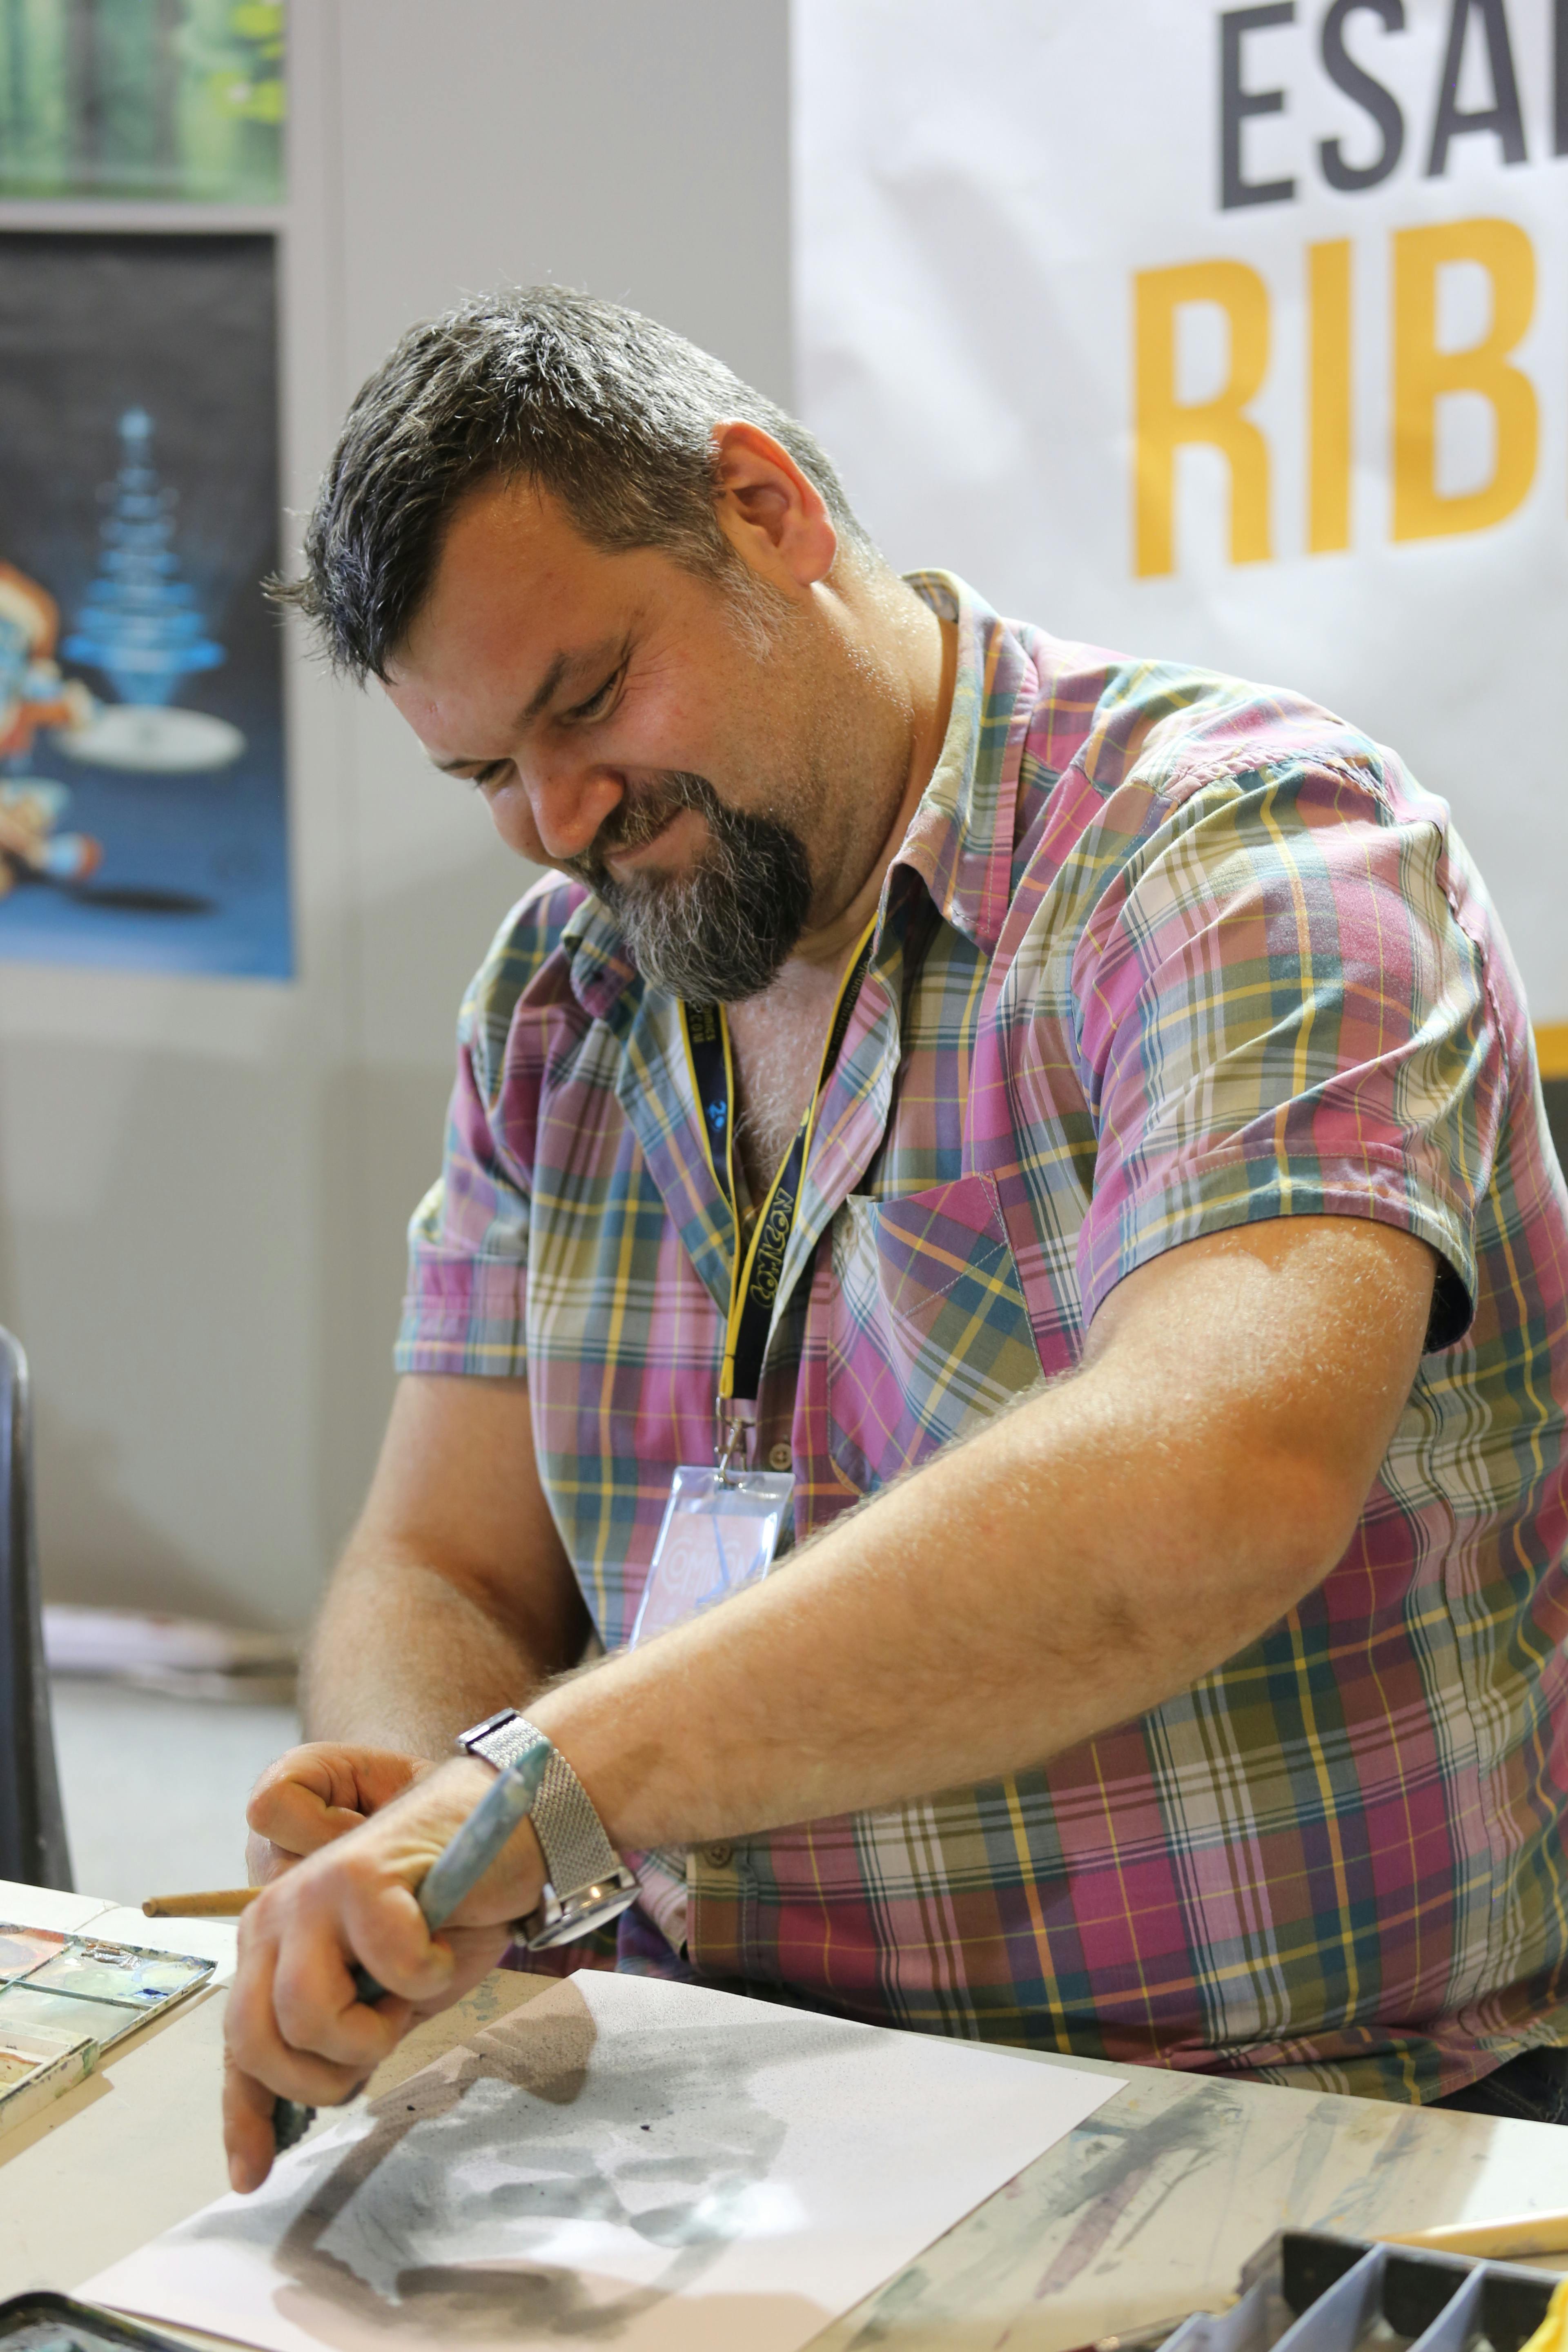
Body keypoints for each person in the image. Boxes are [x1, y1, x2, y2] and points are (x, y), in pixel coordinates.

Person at [224, 288, 1568, 2191]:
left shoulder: (1244, 849)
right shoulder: (559, 995)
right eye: (484, 778)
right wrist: (408, 1821)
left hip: (1297, 2115)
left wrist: (543, 1794)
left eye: (590, 701)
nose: (561, 819)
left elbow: (1215, 1481)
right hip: (724, 2104)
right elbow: (443, 1559)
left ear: (765, 509)